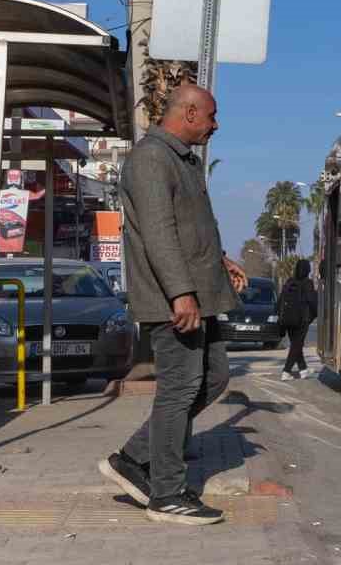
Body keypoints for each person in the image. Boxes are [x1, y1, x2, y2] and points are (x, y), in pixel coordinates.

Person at [98, 84, 247, 526]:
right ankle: (166, 493)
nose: (216, 125)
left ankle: (133, 459)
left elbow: (185, 226)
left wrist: (217, 259)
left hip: (198, 293)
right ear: (189, 112)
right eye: (212, 116)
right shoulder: (151, 159)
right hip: (174, 300)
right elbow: (160, 234)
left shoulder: (181, 160)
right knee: (180, 389)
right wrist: (180, 293)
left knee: (214, 376)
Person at [278, 259, 319, 380]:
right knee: (296, 345)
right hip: (302, 319)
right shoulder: (308, 283)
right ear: (307, 270)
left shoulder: (289, 282)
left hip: (288, 319)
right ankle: (286, 371)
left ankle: (303, 370)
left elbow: (281, 300)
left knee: (296, 345)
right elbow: (312, 301)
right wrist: (315, 314)